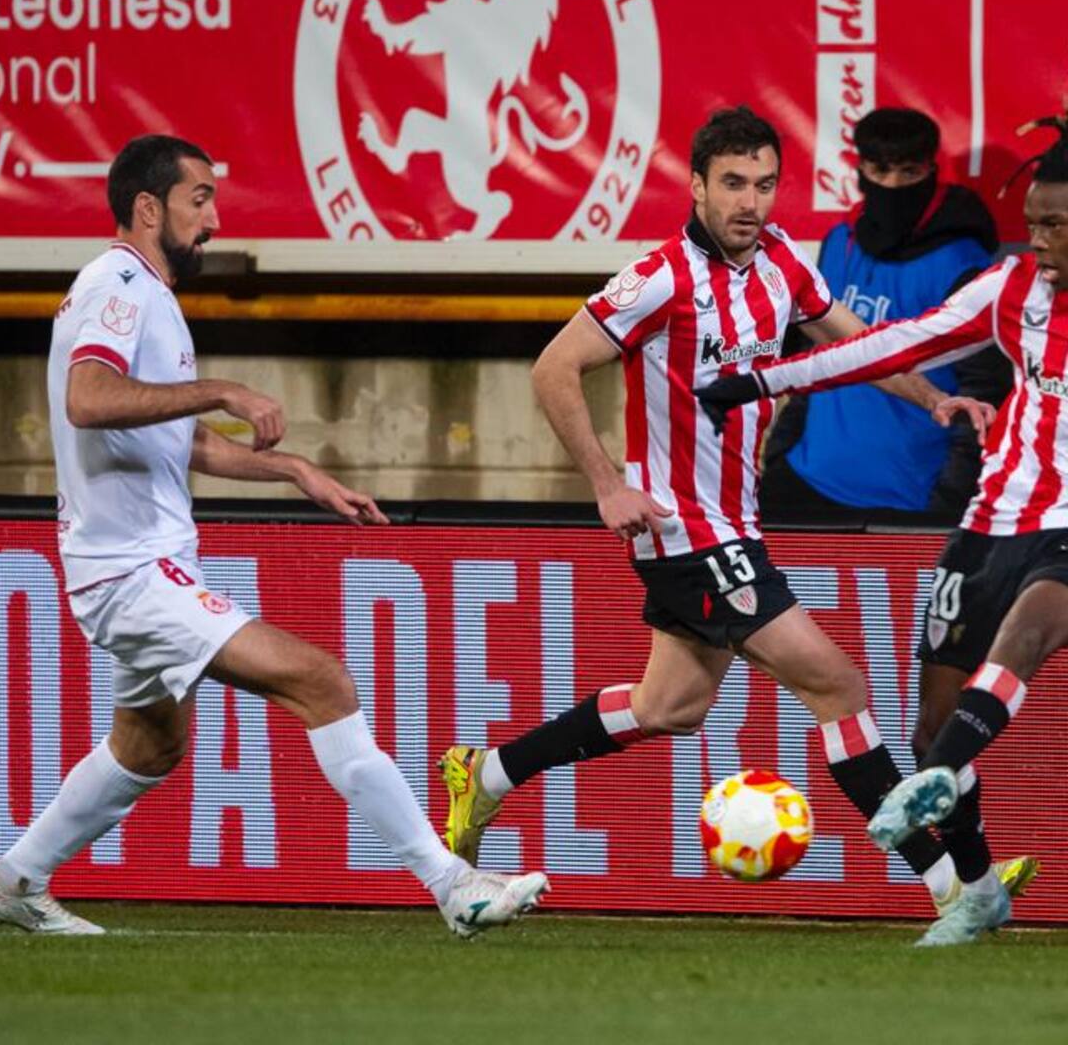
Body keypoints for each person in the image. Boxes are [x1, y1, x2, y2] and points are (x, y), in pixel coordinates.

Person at [437, 106, 1012, 928]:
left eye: (766, 184)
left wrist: (932, 396)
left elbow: (852, 343)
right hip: (684, 531)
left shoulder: (781, 262)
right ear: (697, 185)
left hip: (734, 525)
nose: (751, 201)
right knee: (840, 685)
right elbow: (554, 368)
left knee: (671, 706)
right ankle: (952, 888)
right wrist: (607, 483)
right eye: (733, 184)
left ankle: (487, 773)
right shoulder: (659, 277)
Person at [0, 134, 547, 938]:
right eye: (198, 198)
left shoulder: (147, 296)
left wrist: (298, 471)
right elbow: (90, 399)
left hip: (132, 565)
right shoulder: (118, 281)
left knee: (150, 743)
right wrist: (224, 387)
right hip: (130, 572)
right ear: (147, 208)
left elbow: (176, 438)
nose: (212, 217)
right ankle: (454, 885)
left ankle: (14, 878)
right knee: (321, 680)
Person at [694, 113, 1068, 945]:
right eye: (1033, 221)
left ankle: (933, 781)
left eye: (1053, 225)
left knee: (1032, 629)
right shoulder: (1012, 292)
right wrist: (762, 381)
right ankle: (976, 892)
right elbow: (888, 345)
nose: (1034, 239)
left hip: (1067, 531)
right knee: (931, 719)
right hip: (993, 521)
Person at [761, 108, 1009, 525]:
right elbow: (816, 354)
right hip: (802, 483)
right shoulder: (839, 242)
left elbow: (985, 397)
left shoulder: (964, 265)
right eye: (880, 170)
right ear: (860, 170)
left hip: (906, 502)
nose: (893, 185)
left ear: (931, 171)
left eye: (909, 172)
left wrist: (947, 504)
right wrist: (781, 452)